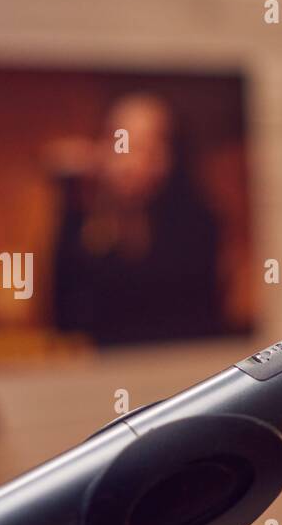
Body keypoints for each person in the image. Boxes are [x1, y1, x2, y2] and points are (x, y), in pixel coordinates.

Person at [47, 93, 226, 347]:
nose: (131, 162)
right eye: (120, 142)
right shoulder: (85, 213)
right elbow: (66, 319)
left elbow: (192, 322)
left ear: (171, 156)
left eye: (148, 147)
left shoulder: (195, 223)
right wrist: (74, 200)